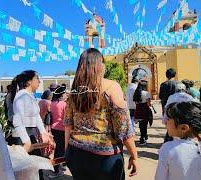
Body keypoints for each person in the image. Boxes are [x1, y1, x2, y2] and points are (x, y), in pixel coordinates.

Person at [65, 48, 138, 180]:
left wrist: (67, 152)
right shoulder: (112, 86)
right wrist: (134, 155)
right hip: (104, 159)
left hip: (75, 153)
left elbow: (68, 125)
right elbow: (123, 128)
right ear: (99, 65)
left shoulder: (74, 93)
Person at [11, 70, 53, 154]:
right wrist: (26, 140)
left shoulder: (30, 96)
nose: (39, 81)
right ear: (29, 82)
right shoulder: (22, 95)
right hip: (22, 136)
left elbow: (36, 117)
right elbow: (17, 120)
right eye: (37, 78)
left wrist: (44, 132)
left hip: (31, 134)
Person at [49, 86, 67, 178]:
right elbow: (66, 118)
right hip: (62, 129)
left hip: (53, 128)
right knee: (61, 149)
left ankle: (59, 167)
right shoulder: (64, 104)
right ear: (61, 94)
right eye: (64, 94)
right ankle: (57, 169)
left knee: (58, 148)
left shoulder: (52, 103)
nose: (65, 95)